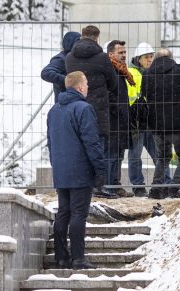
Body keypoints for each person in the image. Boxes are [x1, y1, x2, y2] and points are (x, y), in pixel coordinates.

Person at [47, 72, 107, 270]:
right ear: (80, 87)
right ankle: (79, 258)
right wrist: (100, 168)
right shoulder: (84, 108)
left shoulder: (54, 111)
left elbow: (50, 143)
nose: (88, 87)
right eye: (87, 84)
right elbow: (91, 141)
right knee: (79, 213)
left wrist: (56, 165)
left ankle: (61, 257)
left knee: (63, 212)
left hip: (61, 170)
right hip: (80, 169)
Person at [65, 25, 118, 198]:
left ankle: (80, 185)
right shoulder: (102, 57)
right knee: (97, 147)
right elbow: (113, 82)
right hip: (98, 110)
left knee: (78, 147)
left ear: (82, 36)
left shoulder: (70, 57)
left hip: (75, 108)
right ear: (97, 38)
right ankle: (98, 186)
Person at [142, 48, 180, 199]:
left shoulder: (147, 74)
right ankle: (174, 188)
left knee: (163, 158)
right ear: (171, 57)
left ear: (156, 58)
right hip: (178, 123)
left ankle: (156, 189)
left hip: (157, 124)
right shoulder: (179, 70)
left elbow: (144, 94)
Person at [126, 42, 165, 196]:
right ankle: (138, 187)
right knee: (135, 156)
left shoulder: (154, 73)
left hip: (151, 122)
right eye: (146, 57)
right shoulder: (131, 73)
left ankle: (165, 184)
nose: (150, 60)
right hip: (136, 122)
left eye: (151, 56)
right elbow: (131, 98)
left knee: (159, 155)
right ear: (138, 58)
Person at [104, 40, 133, 197]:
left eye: (124, 52)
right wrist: (116, 109)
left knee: (119, 154)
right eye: (120, 53)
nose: (123, 55)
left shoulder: (121, 71)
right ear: (111, 54)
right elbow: (109, 95)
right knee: (112, 155)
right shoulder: (109, 70)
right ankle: (109, 186)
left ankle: (115, 184)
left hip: (121, 118)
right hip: (112, 119)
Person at [41, 31, 81, 102]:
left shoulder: (77, 57)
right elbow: (46, 73)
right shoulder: (61, 59)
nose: (81, 44)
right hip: (64, 103)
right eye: (78, 42)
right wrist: (67, 80)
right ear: (71, 44)